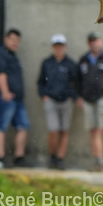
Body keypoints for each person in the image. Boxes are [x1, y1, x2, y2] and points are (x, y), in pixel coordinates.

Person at [76, 31, 103, 174]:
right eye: (91, 41)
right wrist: (80, 96)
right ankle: (97, 163)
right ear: (88, 43)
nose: (94, 43)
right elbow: (78, 80)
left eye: (96, 41)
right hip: (88, 100)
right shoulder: (83, 59)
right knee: (93, 131)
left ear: (100, 42)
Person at [37, 34, 78, 169]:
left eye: (61, 46)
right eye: (56, 46)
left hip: (66, 101)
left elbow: (76, 82)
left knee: (64, 130)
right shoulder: (47, 63)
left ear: (65, 47)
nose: (58, 48)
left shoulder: (70, 64)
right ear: (52, 47)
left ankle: (60, 158)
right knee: (53, 130)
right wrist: (44, 95)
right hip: (51, 100)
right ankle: (52, 156)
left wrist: (72, 96)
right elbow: (40, 81)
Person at [0, 28, 29, 168]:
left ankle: (19, 157)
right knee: (1, 126)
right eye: (12, 39)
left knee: (23, 126)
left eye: (17, 40)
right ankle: (0, 158)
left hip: (17, 99)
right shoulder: (0, 53)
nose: (15, 42)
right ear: (6, 39)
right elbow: (0, 74)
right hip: (4, 97)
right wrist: (5, 92)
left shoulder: (13, 55)